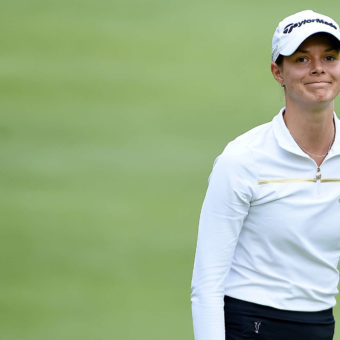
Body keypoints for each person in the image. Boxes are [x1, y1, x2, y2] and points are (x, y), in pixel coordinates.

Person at [191, 9, 340, 340]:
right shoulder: (243, 159)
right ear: (278, 72)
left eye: (329, 57)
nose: (318, 67)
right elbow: (207, 284)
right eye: (301, 59)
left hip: (319, 326)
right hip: (251, 325)